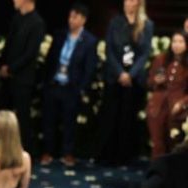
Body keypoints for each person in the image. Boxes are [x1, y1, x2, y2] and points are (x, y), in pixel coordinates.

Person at [40, 3, 97, 167]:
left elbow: (89, 68)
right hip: (54, 83)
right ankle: (48, 151)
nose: (71, 20)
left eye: (76, 17)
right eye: (70, 16)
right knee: (49, 120)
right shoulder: (59, 35)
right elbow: (50, 59)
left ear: (83, 20)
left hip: (72, 88)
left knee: (69, 122)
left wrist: (81, 88)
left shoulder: (89, 41)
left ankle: (68, 153)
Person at [99, 0, 154, 165]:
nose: (127, 3)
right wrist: (120, 73)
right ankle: (107, 154)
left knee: (127, 117)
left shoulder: (147, 25)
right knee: (111, 115)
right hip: (115, 77)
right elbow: (109, 50)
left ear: (138, 3)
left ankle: (125, 155)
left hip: (133, 80)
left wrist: (130, 74)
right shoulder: (115, 22)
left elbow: (144, 54)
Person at [0, 0, 46, 154]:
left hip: (23, 78)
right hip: (7, 76)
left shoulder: (37, 23)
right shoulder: (16, 18)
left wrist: (11, 68)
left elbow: (30, 53)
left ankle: (24, 153)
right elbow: (9, 44)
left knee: (22, 117)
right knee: (3, 114)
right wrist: (2, 65)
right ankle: (0, 149)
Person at [146, 30, 188, 159]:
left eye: (181, 42)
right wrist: (156, 81)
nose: (176, 45)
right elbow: (149, 81)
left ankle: (172, 175)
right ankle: (157, 174)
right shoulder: (161, 59)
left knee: (174, 143)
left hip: (178, 108)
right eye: (174, 41)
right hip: (157, 106)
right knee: (157, 143)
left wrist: (182, 103)